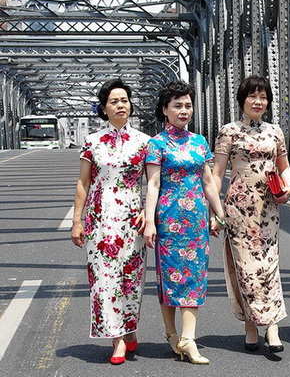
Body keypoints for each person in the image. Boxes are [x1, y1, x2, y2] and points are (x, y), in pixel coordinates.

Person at [143, 80, 225, 365]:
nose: (184, 110)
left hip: (196, 221)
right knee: (169, 278)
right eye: (177, 105)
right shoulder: (156, 144)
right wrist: (150, 222)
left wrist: (219, 213)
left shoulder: (200, 142)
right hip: (168, 220)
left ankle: (189, 339)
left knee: (194, 277)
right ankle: (171, 334)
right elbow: (153, 184)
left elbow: (208, 181)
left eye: (188, 105)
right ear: (165, 109)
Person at [71, 78, 149, 365]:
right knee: (104, 279)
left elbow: (154, 182)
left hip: (131, 217)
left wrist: (148, 212)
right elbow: (83, 183)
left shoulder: (144, 142)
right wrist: (77, 221)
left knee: (130, 278)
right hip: (99, 218)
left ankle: (129, 330)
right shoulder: (92, 141)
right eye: (114, 101)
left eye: (125, 100)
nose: (121, 105)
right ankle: (116, 339)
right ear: (104, 108)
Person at [213, 75, 290, 353]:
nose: (259, 102)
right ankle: (250, 325)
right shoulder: (229, 131)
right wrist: (214, 210)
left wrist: (289, 186)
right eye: (253, 96)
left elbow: (284, 167)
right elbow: (217, 174)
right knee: (246, 269)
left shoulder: (275, 132)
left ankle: (272, 327)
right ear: (242, 100)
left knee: (269, 265)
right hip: (238, 209)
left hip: (268, 207)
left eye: (264, 97)